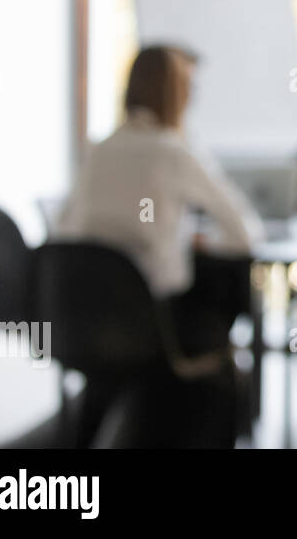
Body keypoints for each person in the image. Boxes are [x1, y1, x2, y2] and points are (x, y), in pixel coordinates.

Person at [55, 44, 264, 446]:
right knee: (221, 302)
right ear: (175, 94)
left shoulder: (97, 150)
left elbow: (65, 232)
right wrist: (198, 241)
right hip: (154, 329)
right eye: (188, 88)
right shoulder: (173, 152)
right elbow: (246, 233)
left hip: (83, 321)